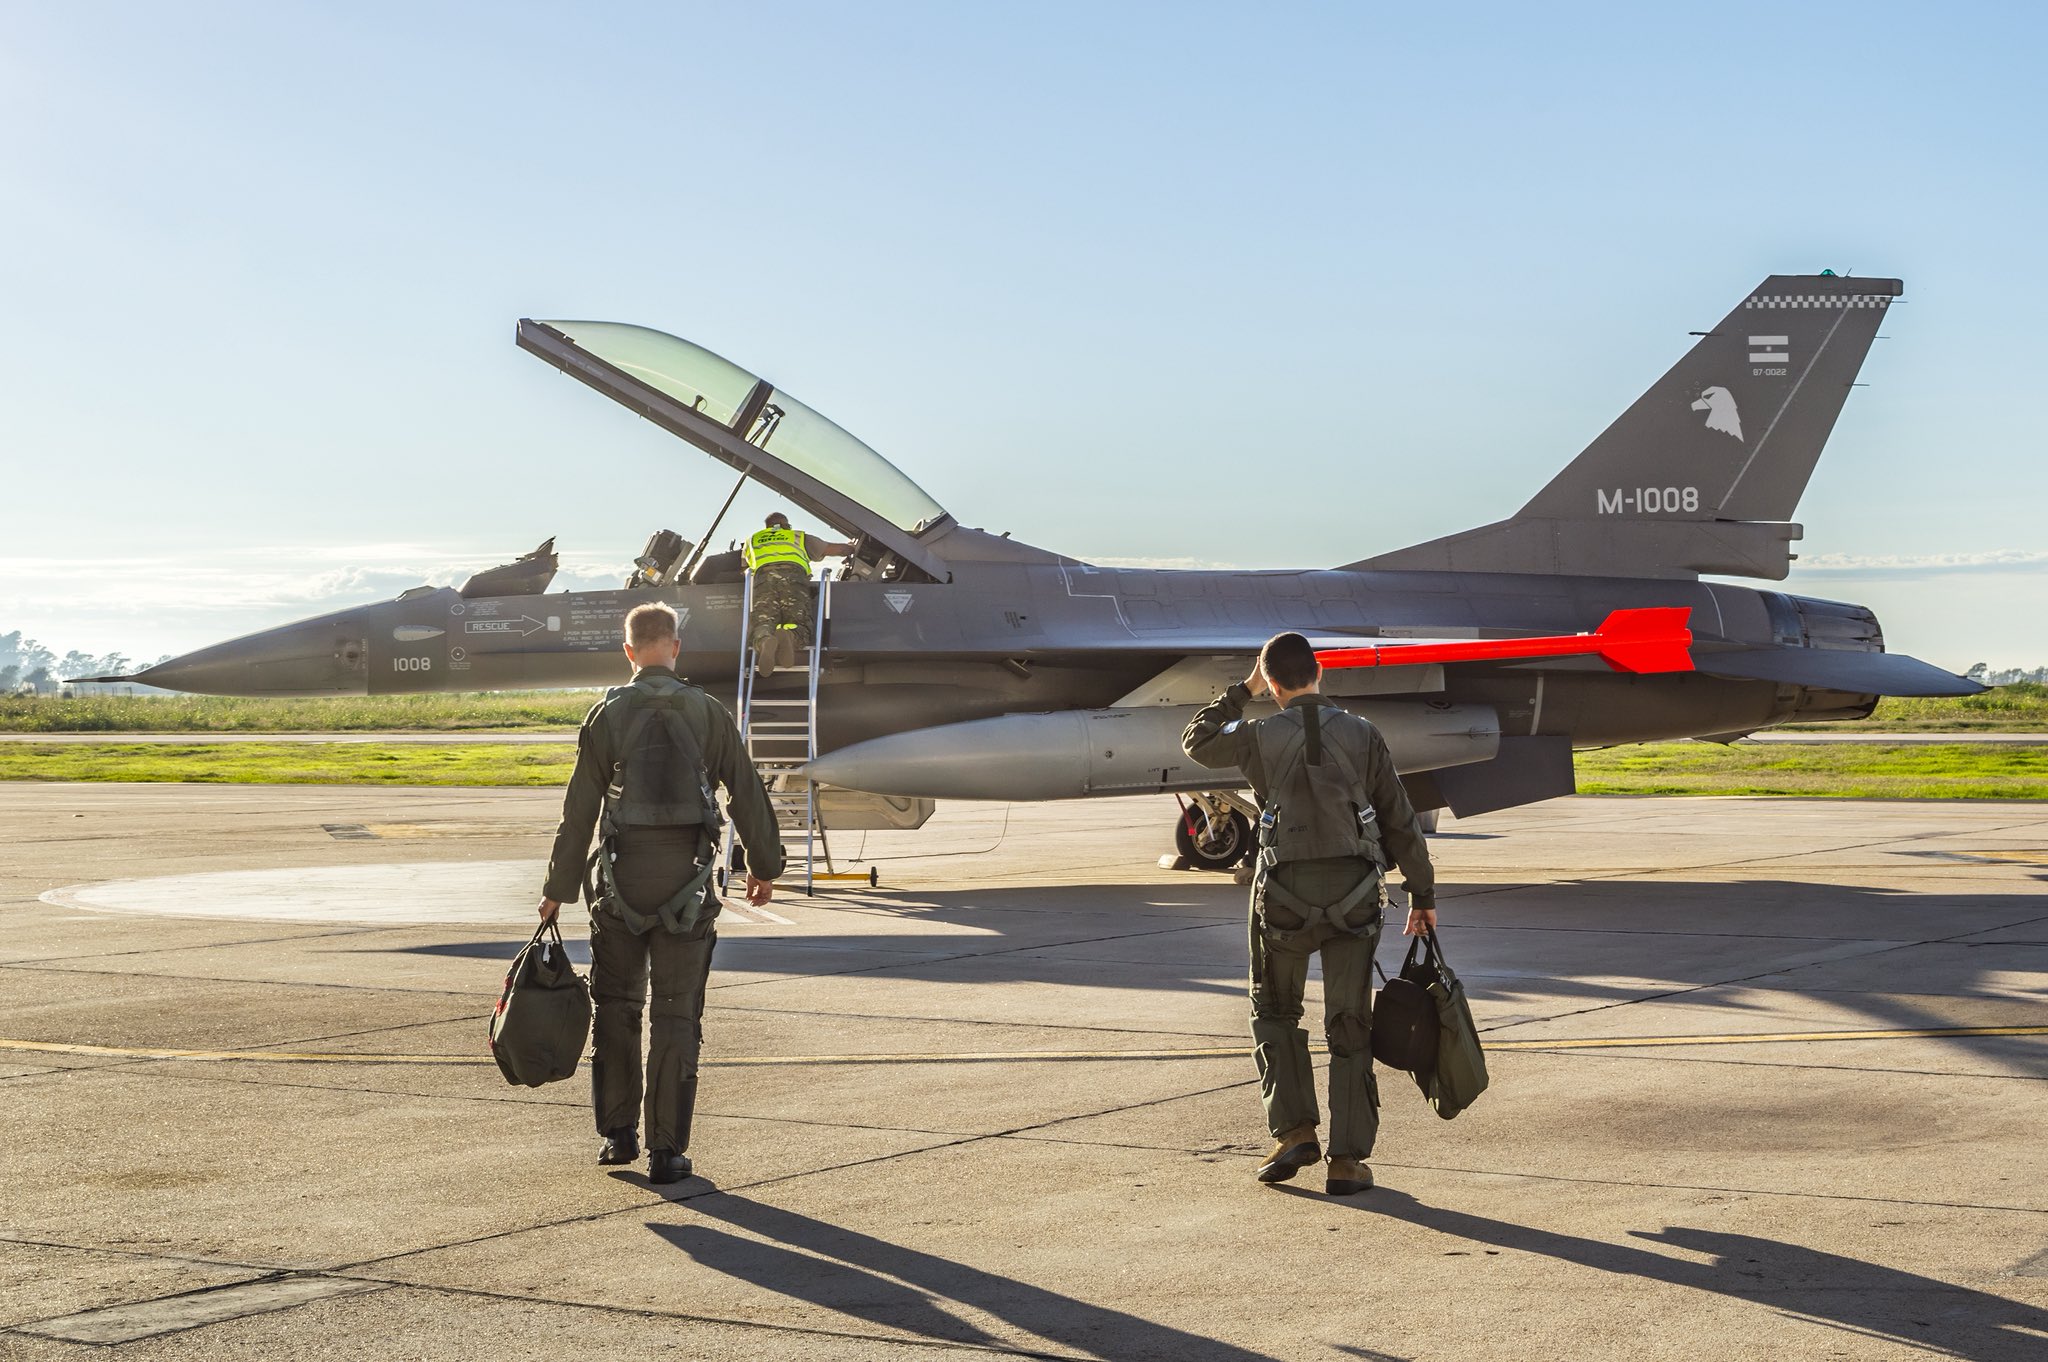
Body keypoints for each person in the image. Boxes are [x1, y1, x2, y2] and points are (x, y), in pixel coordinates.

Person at [1182, 631, 1438, 1197]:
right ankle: (1347, 1162)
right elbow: (1399, 817)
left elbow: (1195, 741)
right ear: (1320, 671)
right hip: (1354, 897)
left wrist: (1241, 691)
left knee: (1274, 1011)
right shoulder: (1363, 734)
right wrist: (1423, 897)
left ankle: (1295, 1131)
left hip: (1282, 900)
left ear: (1272, 683)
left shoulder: (1255, 735)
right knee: (1350, 1024)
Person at [537, 601, 785, 1184]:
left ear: (629, 651)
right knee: (677, 1016)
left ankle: (617, 1138)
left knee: (617, 1010)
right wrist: (764, 865)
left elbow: (579, 812)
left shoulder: (606, 715)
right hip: (689, 887)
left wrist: (557, 889)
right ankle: (668, 1153)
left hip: (620, 888)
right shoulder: (709, 713)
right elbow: (746, 792)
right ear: (675, 647)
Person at [743, 512, 855, 678]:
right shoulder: (797, 537)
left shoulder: (752, 541)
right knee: (800, 624)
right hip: (794, 583)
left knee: (763, 623)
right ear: (786, 525)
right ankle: (789, 636)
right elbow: (836, 550)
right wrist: (851, 547)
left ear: (767, 527)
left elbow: (744, 567)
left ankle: (766, 641)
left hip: (763, 584)